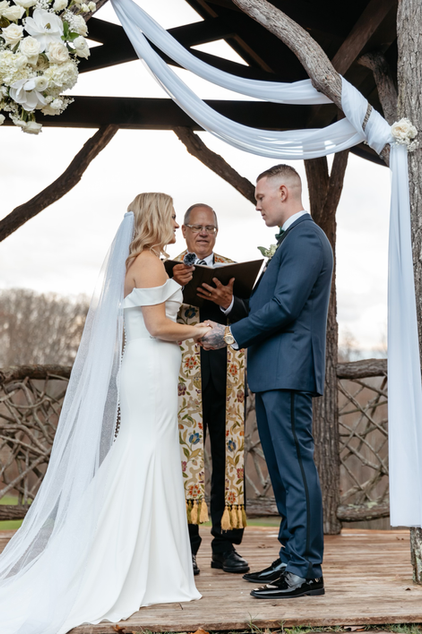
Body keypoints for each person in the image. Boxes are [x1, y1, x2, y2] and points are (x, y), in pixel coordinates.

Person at [0, 193, 208, 634]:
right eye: (172, 217)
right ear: (156, 218)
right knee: (142, 455)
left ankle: (151, 564)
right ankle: (132, 565)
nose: (177, 225)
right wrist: (202, 330)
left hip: (150, 370)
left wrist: (177, 284)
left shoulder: (146, 261)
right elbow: (157, 327)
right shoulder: (149, 262)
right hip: (150, 371)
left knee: (149, 455)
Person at [201, 165, 333, 599]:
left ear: (282, 191)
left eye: (260, 197)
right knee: (283, 472)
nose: (256, 205)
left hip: (288, 370)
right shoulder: (290, 241)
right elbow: (264, 305)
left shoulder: (307, 239)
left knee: (296, 470)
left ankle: (306, 570)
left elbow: (286, 307)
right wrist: (232, 306)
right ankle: (291, 555)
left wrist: (231, 334)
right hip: (273, 370)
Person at [171, 204, 249, 575]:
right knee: (184, 459)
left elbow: (252, 314)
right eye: (196, 227)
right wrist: (176, 284)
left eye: (210, 228)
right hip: (183, 376)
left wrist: (228, 302)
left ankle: (224, 546)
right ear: (184, 231)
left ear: (216, 233)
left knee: (226, 455)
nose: (203, 233)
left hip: (227, 373)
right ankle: (185, 545)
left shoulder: (233, 269)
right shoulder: (168, 269)